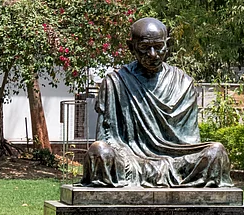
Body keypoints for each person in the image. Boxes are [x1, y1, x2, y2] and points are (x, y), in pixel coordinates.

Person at [80, 18, 233, 188]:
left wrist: (170, 161)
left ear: (168, 44)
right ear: (132, 47)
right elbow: (106, 138)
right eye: (145, 48)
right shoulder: (115, 82)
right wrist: (128, 157)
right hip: (132, 159)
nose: (153, 54)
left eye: (159, 47)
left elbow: (189, 141)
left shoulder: (182, 83)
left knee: (216, 152)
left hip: (177, 160)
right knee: (100, 151)